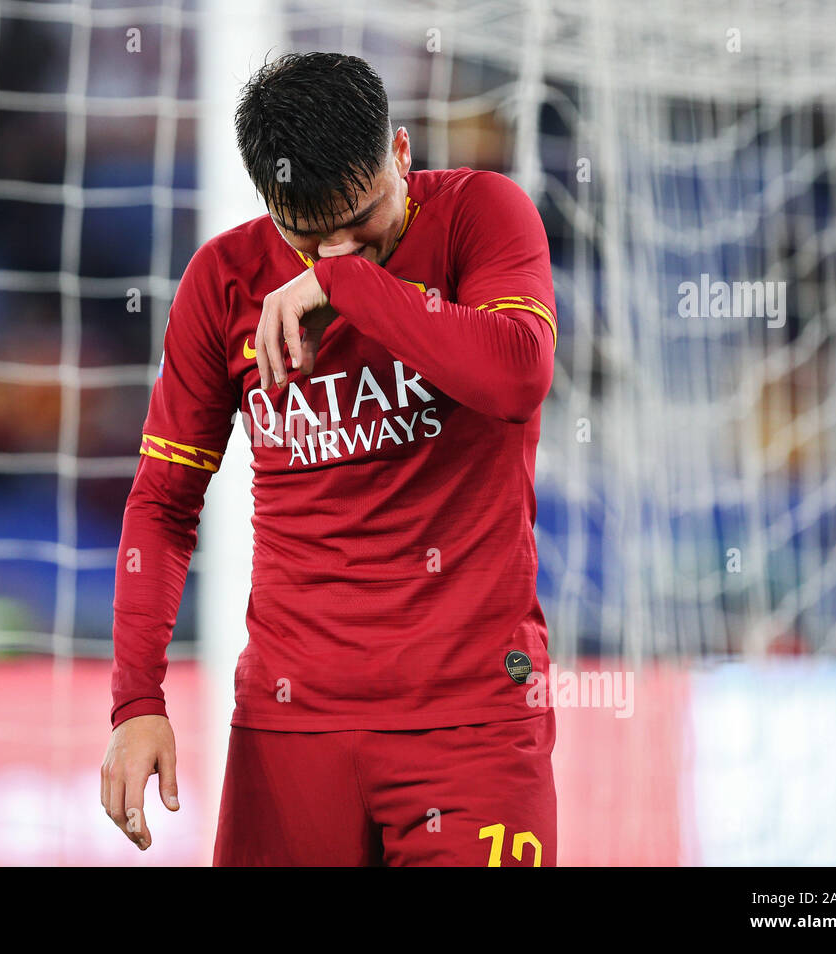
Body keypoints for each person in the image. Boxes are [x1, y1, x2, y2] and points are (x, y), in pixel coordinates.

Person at [101, 51, 558, 866]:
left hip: (472, 721)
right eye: (308, 238)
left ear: (402, 154)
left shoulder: (484, 215)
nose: (342, 249)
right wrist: (137, 700)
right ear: (270, 209)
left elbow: (519, 372)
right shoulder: (223, 281)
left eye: (367, 219)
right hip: (291, 725)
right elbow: (164, 504)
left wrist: (344, 285)